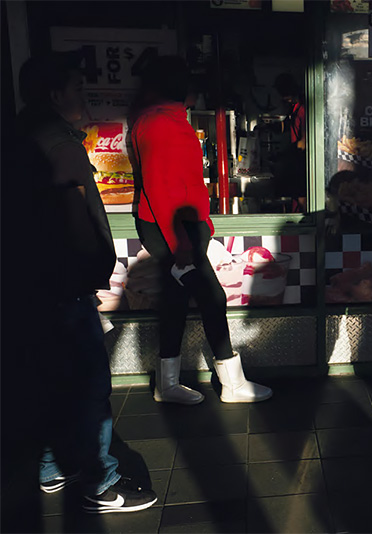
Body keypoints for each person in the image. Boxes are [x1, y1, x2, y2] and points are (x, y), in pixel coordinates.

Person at [11, 52, 157, 514]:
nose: (84, 98)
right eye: (78, 88)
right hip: (63, 287)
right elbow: (77, 222)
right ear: (56, 94)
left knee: (52, 379)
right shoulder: (61, 146)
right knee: (91, 386)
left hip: (29, 284)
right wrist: (90, 274)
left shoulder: (16, 135)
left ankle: (52, 467)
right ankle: (102, 483)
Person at [128, 56, 272, 404]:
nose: (196, 89)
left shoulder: (164, 118)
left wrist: (200, 226)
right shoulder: (160, 122)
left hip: (179, 228)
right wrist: (181, 243)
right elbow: (161, 188)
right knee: (212, 297)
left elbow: (176, 182)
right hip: (174, 232)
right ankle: (232, 383)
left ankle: (168, 384)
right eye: (189, 82)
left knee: (176, 302)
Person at [273, 72, 306, 212]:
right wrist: (266, 127)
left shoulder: (303, 110)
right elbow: (286, 125)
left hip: (302, 164)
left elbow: (304, 143)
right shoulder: (294, 108)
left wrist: (282, 155)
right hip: (295, 164)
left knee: (301, 199)